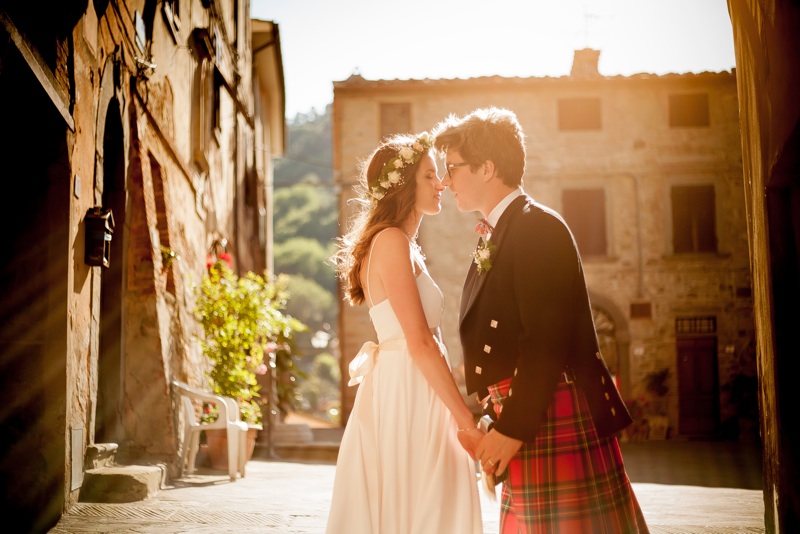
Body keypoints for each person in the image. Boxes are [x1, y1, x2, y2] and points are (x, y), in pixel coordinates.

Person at [432, 107, 649, 533]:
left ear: (487, 168)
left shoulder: (537, 228)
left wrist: (511, 430)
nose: (445, 180)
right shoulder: (504, 230)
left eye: (452, 168)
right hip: (529, 411)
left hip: (547, 409)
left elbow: (544, 344)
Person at [326, 131, 483, 533]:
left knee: (422, 500)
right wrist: (465, 418)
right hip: (411, 386)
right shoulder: (392, 241)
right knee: (423, 499)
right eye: (430, 176)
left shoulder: (401, 244)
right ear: (403, 185)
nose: (442, 184)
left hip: (412, 383)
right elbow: (420, 341)